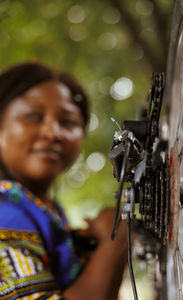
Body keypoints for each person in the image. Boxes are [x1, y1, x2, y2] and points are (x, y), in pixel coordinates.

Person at [0, 62, 129, 300]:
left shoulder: (47, 211)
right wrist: (115, 242)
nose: (53, 133)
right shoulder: (5, 209)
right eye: (33, 116)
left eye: (68, 122)